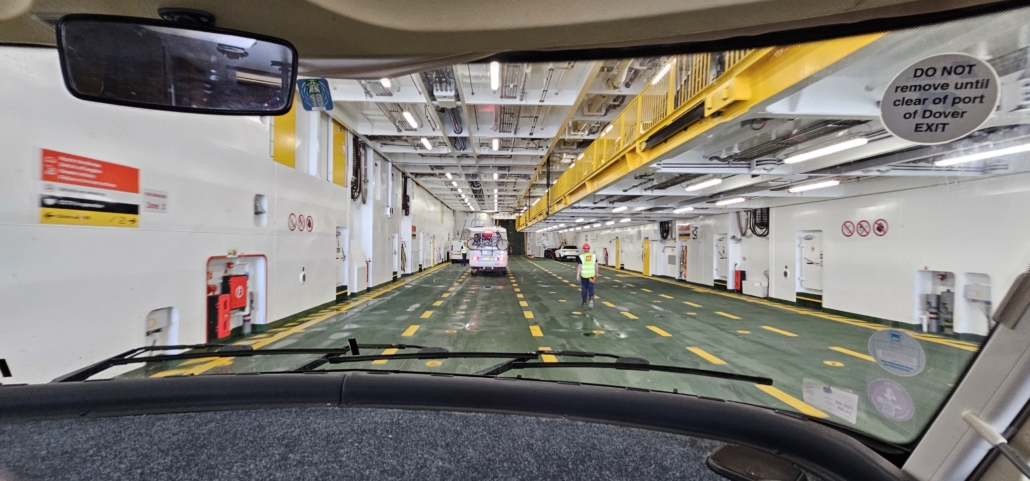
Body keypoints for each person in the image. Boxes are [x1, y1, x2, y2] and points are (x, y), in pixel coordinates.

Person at [576, 243, 598, 308]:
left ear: (583, 249)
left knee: (584, 288)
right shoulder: (594, 256)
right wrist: (597, 273)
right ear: (589, 249)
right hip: (592, 275)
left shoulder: (581, 257)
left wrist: (577, 275)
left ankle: (584, 302)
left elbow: (579, 266)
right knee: (591, 287)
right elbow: (596, 265)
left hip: (584, 275)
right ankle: (591, 298)